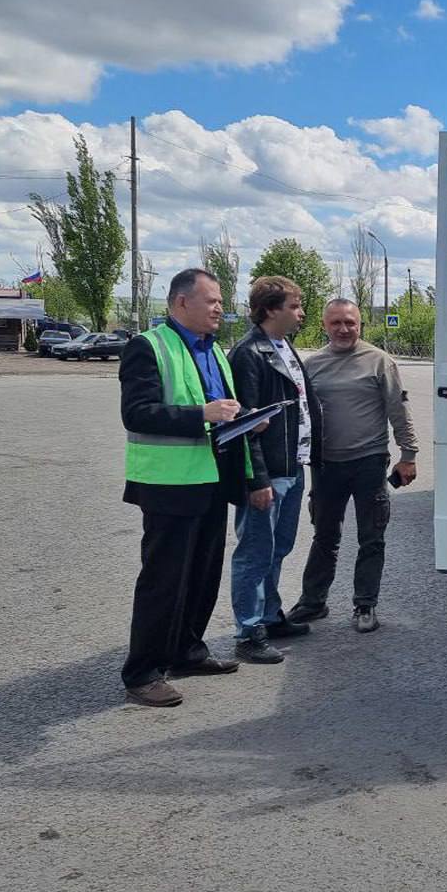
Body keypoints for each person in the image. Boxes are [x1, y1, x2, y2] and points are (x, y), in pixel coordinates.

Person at [118, 268, 254, 707]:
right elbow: (138, 413)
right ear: (180, 303)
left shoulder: (213, 351)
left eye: (219, 301)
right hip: (169, 485)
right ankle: (143, 672)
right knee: (165, 581)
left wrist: (245, 418)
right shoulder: (148, 346)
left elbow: (218, 410)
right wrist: (204, 414)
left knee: (202, 575)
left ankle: (187, 651)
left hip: (212, 480)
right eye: (211, 300)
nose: (219, 307)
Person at [288, 298, 419, 634]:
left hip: (369, 463)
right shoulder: (312, 365)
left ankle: (365, 605)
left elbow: (398, 411)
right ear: (324, 325)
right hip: (326, 464)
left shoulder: (380, 362)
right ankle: (313, 602)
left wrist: (409, 455)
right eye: (336, 323)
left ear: (360, 324)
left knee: (371, 538)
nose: (344, 329)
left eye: (350, 322)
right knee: (324, 537)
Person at [227, 276, 324, 663]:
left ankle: (269, 615)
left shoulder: (284, 347)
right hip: (268, 475)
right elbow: (245, 426)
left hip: (292, 466)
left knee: (278, 548)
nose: (301, 314)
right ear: (270, 309)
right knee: (254, 551)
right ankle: (248, 632)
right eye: (295, 306)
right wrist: (257, 479)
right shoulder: (249, 353)